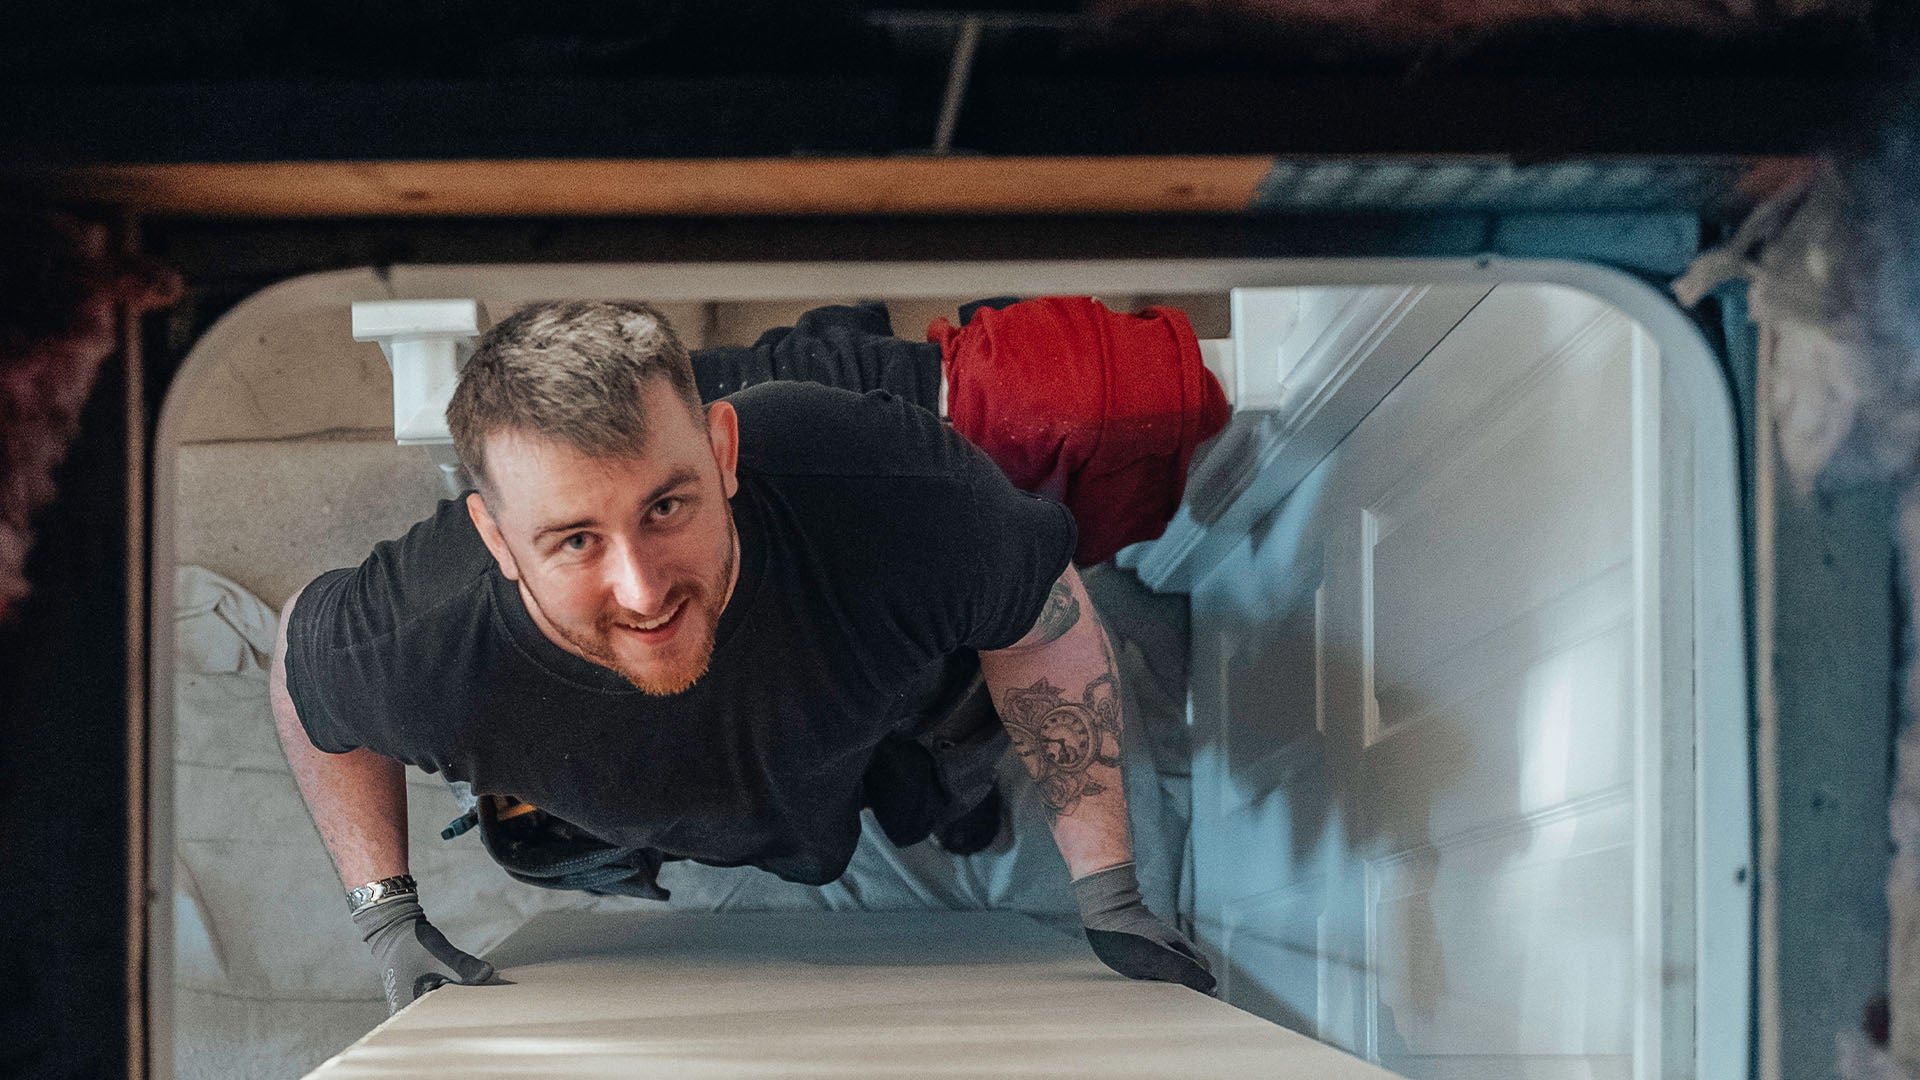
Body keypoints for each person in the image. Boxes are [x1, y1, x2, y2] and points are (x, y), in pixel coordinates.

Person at [270, 299, 1213, 1015]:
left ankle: (945, 805)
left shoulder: (886, 478)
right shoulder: (414, 634)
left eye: (665, 507)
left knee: (947, 778)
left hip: (891, 707)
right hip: (640, 807)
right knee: (549, 847)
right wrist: (385, 914)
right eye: (575, 540)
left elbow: (1040, 617)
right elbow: (300, 674)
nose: (643, 591)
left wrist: (1108, 890)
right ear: (496, 540)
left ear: (723, 451)